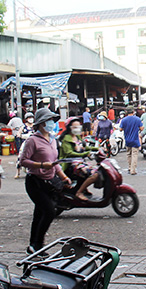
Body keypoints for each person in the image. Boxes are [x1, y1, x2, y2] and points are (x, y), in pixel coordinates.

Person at [19, 108, 71, 255]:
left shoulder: (53, 140)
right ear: (41, 123)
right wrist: (41, 165)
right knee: (49, 211)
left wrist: (63, 177)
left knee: (39, 213)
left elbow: (55, 162)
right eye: (49, 121)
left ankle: (33, 246)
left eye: (52, 121)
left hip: (49, 182)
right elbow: (23, 161)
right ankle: (38, 245)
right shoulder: (32, 140)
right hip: (35, 182)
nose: (51, 123)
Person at [59, 117, 99, 200]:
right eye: (75, 127)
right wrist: (85, 154)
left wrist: (98, 149)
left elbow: (85, 147)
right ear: (69, 128)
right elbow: (69, 153)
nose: (78, 128)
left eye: (79, 126)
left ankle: (83, 188)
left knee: (98, 170)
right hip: (70, 165)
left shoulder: (77, 137)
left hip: (80, 162)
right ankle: (79, 192)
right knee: (91, 173)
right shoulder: (66, 139)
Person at [119, 106, 143, 175]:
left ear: (126, 112)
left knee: (129, 154)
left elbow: (120, 129)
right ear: (133, 111)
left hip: (127, 140)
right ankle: (133, 170)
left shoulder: (124, 120)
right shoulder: (137, 119)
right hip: (135, 140)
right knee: (134, 155)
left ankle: (129, 167)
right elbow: (141, 128)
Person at [14, 112, 35, 179]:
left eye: (31, 117)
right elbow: (18, 134)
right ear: (26, 119)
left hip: (34, 143)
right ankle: (18, 172)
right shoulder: (23, 127)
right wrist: (23, 136)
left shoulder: (35, 126)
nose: (31, 119)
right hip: (25, 143)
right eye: (29, 118)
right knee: (20, 157)